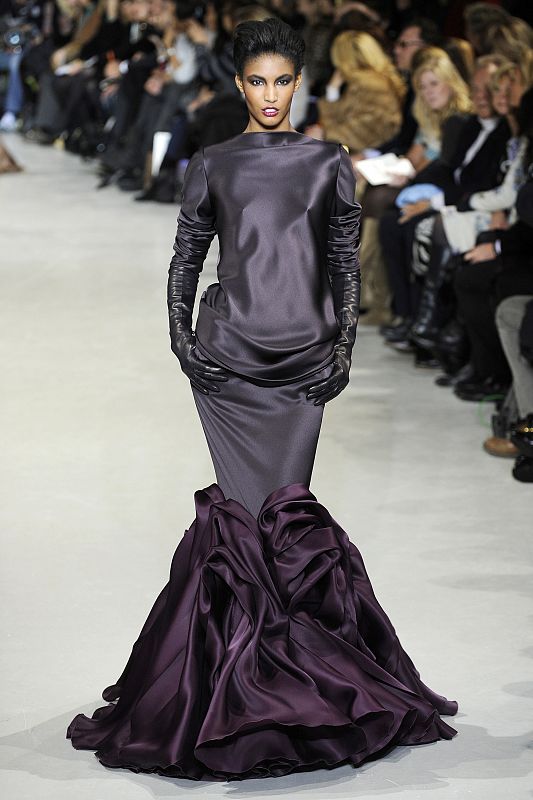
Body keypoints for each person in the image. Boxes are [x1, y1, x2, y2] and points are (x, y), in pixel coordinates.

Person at [66, 16, 458, 782]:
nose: (270, 94)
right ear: (239, 83)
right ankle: (238, 699)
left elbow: (342, 260)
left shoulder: (325, 161)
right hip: (229, 360)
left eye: (282, 80)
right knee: (244, 526)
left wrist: (344, 348)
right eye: (257, 81)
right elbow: (187, 257)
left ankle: (283, 692)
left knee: (285, 514)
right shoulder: (214, 162)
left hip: (303, 358)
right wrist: (180, 338)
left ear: (298, 82)